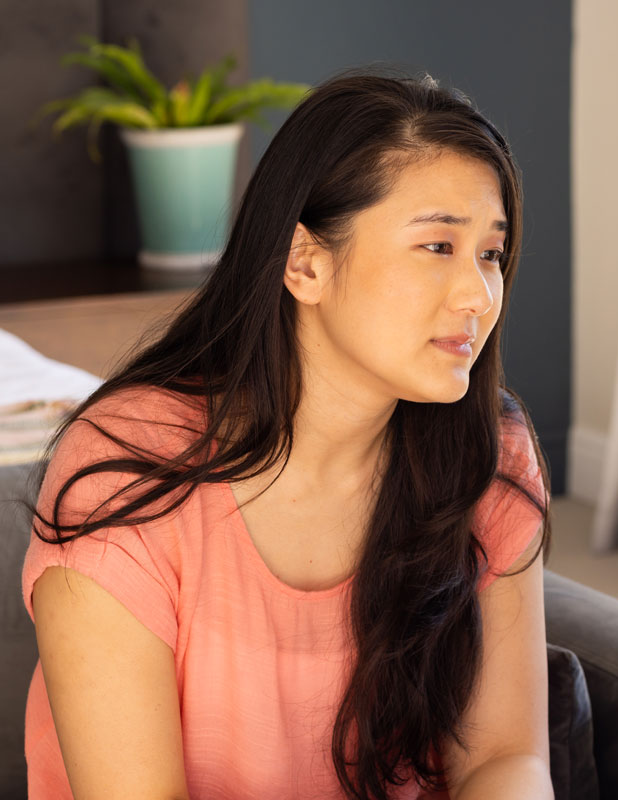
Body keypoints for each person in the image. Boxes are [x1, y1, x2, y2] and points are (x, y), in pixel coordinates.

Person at [23, 74, 553, 800]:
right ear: (305, 263)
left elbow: (505, 758)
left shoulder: (485, 455)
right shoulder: (128, 474)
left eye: (490, 254)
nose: (478, 295)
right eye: (437, 246)